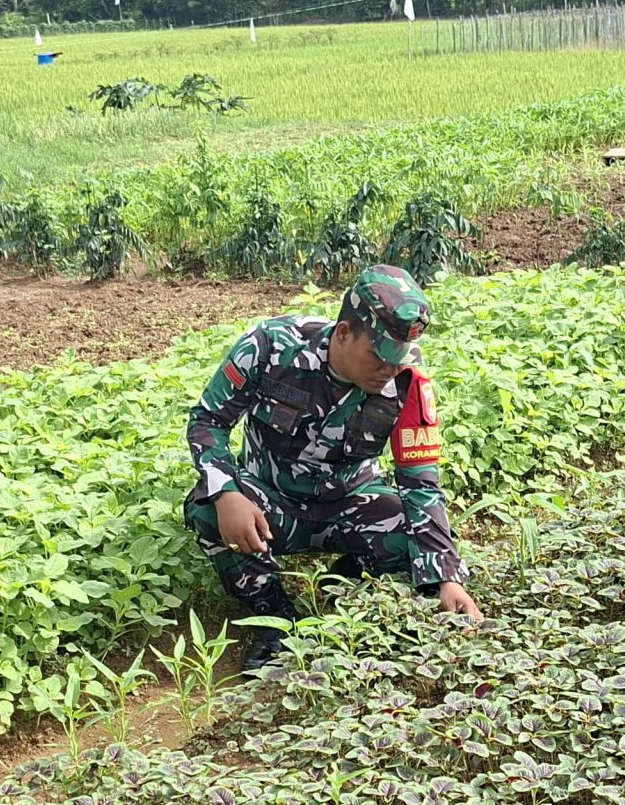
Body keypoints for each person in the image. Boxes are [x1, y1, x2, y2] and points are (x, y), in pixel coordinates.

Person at [185, 265, 482, 669]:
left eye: (400, 358)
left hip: (351, 502)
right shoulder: (271, 347)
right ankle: (274, 619)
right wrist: (227, 492)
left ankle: (344, 581)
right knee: (206, 508)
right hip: (270, 501)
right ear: (343, 333)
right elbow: (208, 421)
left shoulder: (408, 385)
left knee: (423, 538)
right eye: (379, 356)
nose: (390, 370)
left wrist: (447, 577)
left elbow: (420, 484)